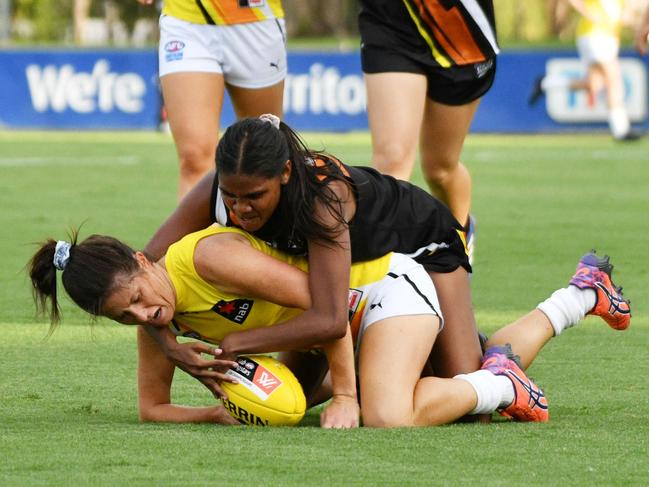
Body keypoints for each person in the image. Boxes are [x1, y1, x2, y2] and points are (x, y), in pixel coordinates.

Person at [28, 224, 632, 427]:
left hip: (377, 289)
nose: (144, 314)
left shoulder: (205, 260)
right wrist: (218, 411)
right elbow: (151, 409)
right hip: (332, 328)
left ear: (142, 259)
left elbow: (330, 302)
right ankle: (580, 296)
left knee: (388, 415)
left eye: (138, 297)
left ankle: (507, 388)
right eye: (124, 316)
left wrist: (346, 393)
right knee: (458, 379)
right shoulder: (154, 323)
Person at [142, 115, 485, 409]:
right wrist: (168, 345)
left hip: (425, 247)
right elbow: (140, 268)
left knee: (468, 398)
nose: (240, 208)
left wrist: (237, 344)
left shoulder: (323, 199)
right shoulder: (215, 189)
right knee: (293, 399)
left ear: (286, 172)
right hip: (357, 281)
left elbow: (330, 318)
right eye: (231, 196)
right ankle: (384, 368)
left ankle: (500, 358)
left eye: (254, 196)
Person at [357, 0, 500, 265]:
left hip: (459, 30)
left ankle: (458, 238)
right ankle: (382, 281)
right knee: (392, 160)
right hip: (391, 22)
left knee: (440, 169)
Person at [137, 0, 286, 198]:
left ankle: (267, 228)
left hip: (255, 18)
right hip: (186, 20)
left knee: (263, 156)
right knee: (195, 159)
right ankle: (205, 229)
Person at [529, 0, 641, 141]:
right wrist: (589, 13)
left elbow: (621, 18)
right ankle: (621, 129)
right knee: (613, 78)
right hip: (595, 36)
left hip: (607, 39)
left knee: (593, 84)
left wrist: (640, 24)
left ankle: (546, 83)